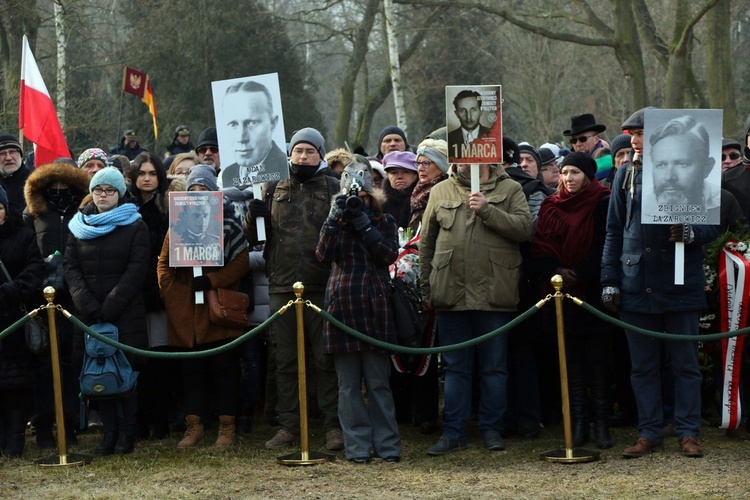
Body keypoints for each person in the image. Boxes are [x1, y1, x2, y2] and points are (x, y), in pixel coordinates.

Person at [601, 108, 719, 459]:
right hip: (637, 285)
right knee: (643, 367)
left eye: (640, 132)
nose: (635, 139)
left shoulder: (696, 179)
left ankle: (687, 431)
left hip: (683, 285)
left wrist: (692, 232)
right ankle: (650, 431)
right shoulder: (625, 176)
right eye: (631, 134)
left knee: (685, 365)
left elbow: (712, 225)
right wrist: (609, 279)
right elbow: (613, 232)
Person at [420, 161, 532, 455]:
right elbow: (426, 244)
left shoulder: (511, 188)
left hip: (494, 292)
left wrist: (487, 209)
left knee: (494, 369)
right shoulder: (440, 190)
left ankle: (491, 429)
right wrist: (426, 287)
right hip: (450, 292)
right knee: (455, 368)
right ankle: (453, 432)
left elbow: (524, 230)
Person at [243, 127, 344, 451]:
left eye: (309, 152)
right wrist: (252, 216)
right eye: (298, 151)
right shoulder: (272, 187)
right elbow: (254, 238)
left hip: (323, 285)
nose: (303, 157)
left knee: (326, 359)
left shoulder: (333, 186)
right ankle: (288, 426)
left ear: (320, 154)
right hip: (282, 285)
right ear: (289, 154)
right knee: (284, 360)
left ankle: (333, 426)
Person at [157, 165, 249, 448]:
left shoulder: (229, 223)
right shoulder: (176, 225)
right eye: (193, 190)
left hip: (215, 307)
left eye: (204, 190)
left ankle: (226, 426)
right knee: (190, 371)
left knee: (224, 369)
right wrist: (172, 294)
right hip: (185, 310)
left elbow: (241, 261)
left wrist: (212, 280)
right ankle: (194, 426)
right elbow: (162, 264)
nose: (198, 195)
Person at [316, 163, 401, 463]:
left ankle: (388, 447)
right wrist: (332, 218)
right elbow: (322, 256)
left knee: (378, 383)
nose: (357, 202)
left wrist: (365, 224)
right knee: (348, 386)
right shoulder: (336, 222)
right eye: (352, 197)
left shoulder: (384, 220)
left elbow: (388, 256)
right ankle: (357, 449)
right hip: (342, 305)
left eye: (363, 196)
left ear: (371, 196)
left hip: (374, 305)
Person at [64, 168, 150, 455]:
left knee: (125, 375)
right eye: (98, 189)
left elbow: (137, 268)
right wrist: (86, 303)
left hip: (123, 312)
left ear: (119, 193)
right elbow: (70, 267)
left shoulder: (135, 225)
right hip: (88, 314)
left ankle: (127, 435)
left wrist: (112, 304)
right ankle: (108, 434)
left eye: (109, 190)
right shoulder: (79, 225)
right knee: (98, 373)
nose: (103, 195)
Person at [530, 152, 613, 448]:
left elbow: (606, 242)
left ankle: (601, 423)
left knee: (598, 361)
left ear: (588, 176)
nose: (568, 178)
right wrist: (557, 271)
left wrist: (580, 272)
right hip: (558, 293)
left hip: (590, 294)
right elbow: (539, 244)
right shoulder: (551, 206)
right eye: (564, 172)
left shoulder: (603, 201)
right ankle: (578, 423)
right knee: (571, 362)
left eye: (575, 172)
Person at [23, 160, 90, 448]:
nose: (60, 189)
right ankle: (43, 425)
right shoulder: (33, 215)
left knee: (71, 364)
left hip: (74, 300)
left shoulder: (84, 213)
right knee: (41, 366)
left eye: (66, 184)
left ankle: (70, 424)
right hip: (39, 300)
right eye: (54, 184)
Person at [390, 139, 448, 434]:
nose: (421, 169)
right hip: (406, 279)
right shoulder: (414, 197)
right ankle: (407, 410)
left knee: (427, 347)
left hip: (432, 276)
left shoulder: (443, 193)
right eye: (420, 163)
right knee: (404, 341)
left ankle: (426, 414)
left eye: (428, 163)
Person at [0, 185, 45, 458]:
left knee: (15, 386)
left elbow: (35, 270)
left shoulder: (23, 235)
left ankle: (15, 440)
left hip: (15, 321)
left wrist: (9, 291)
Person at [644, 115, 719, 221]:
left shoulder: (724, 203)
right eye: (661, 165)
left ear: (707, 167)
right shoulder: (638, 208)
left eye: (682, 164)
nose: (669, 177)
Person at [219, 81, 287, 189]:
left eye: (252, 123)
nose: (241, 138)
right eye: (233, 124)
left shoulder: (285, 170)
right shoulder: (227, 174)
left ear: (273, 124)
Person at [447, 90, 492, 159]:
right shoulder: (449, 139)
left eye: (473, 110)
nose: (468, 117)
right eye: (462, 110)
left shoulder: (493, 135)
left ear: (481, 111)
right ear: (457, 114)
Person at [382, 150, 418, 228]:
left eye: (406, 172)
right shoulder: (380, 202)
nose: (400, 176)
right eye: (394, 172)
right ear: (387, 175)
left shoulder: (423, 199)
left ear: (415, 175)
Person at [0, 133, 30, 214]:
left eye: (12, 152)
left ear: (20, 155)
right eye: (2, 153)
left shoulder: (35, 182)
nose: (8, 158)